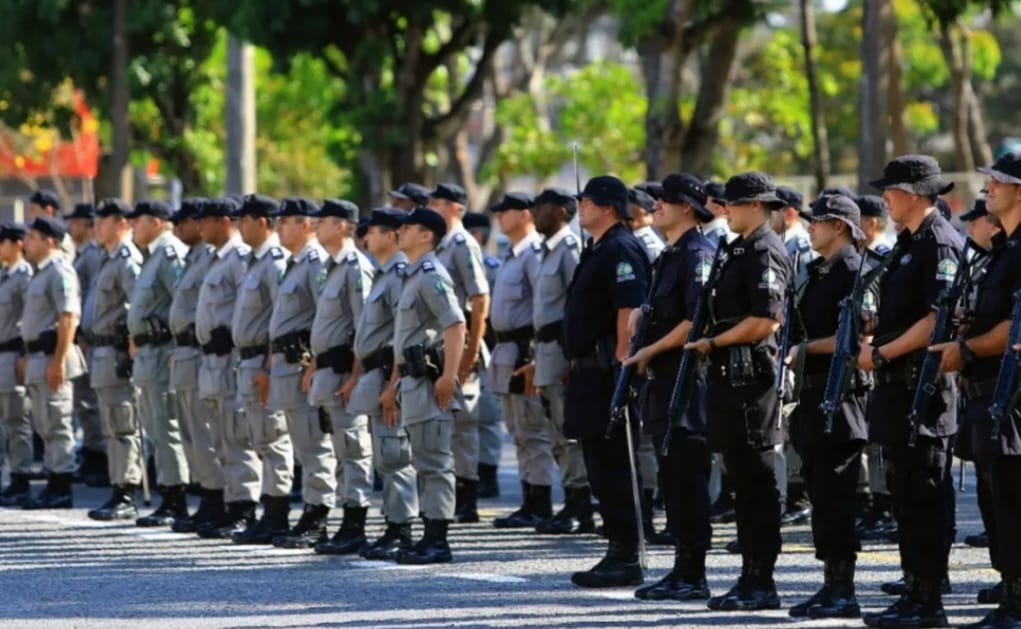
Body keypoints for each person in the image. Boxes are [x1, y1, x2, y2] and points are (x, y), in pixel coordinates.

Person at [858, 155, 963, 628]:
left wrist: (883, 353)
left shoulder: (937, 242)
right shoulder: (907, 242)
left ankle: (929, 601)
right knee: (905, 493)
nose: (886, 197)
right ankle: (913, 590)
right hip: (897, 390)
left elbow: (936, 317)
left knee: (925, 495)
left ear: (917, 194)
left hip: (923, 389)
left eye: (893, 190)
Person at [685, 172, 791, 611]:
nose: (724, 210)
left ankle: (761, 580)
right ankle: (749, 576)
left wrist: (714, 342)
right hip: (731, 378)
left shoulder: (765, 249)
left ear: (754, 205)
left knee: (757, 483)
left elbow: (766, 320)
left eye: (731, 203)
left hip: (753, 381)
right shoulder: (738, 249)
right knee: (741, 485)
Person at [931, 152, 1021, 628]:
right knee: (998, 497)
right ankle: (1011, 594)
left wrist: (966, 350)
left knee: (1011, 496)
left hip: (1012, 395)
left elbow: (1015, 328)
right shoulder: (1004, 249)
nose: (987, 189)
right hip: (989, 393)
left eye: (997, 183)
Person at [624, 173, 716, 601]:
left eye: (666, 199)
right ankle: (681, 566)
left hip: (686, 380)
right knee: (672, 477)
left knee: (686, 477)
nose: (656, 204)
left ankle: (693, 571)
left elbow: (694, 320)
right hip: (664, 381)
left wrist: (648, 350)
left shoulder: (697, 253)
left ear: (688, 208)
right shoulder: (669, 255)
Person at [785, 194, 874, 619]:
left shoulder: (854, 272)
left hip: (840, 397)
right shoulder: (818, 272)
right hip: (813, 394)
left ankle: (843, 589)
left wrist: (802, 350)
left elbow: (854, 340)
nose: (809, 227)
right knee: (821, 492)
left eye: (817, 221)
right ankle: (830, 585)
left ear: (839, 226)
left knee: (837, 496)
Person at [563, 175, 650, 588]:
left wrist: (622, 365)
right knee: (598, 463)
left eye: (586, 200)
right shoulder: (596, 248)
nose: (579, 205)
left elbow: (629, 310)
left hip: (607, 374)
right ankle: (616, 548)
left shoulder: (620, 248)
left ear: (608, 207)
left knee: (614, 465)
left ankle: (626, 555)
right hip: (587, 373)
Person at [388, 207, 467, 563]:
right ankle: (428, 534)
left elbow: (455, 324)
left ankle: (438, 540)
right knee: (423, 460)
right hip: (411, 382)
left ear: (426, 235)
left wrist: (450, 376)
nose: (400, 231)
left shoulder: (432, 274)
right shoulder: (411, 275)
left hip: (429, 381)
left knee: (435, 462)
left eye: (408, 227)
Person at [342, 208, 419, 560]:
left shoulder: (400, 274)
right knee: (385, 455)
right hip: (376, 374)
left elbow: (403, 337)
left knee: (394, 453)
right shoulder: (384, 274)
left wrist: (394, 386)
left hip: (391, 373)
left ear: (391, 235)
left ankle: (401, 529)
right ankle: (393, 523)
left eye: (371, 232)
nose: (365, 238)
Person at [303, 199, 375, 555]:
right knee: (339, 448)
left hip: (346, 371)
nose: (316, 226)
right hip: (329, 371)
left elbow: (364, 327)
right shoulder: (331, 267)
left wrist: (356, 377)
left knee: (353, 448)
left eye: (324, 221)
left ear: (344, 226)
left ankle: (355, 524)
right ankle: (346, 522)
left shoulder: (354, 266)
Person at [267, 198, 338, 549]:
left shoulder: (315, 263)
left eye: (285, 222)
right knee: (301, 444)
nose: (278, 227)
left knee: (314, 443)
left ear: (305, 225)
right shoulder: (293, 264)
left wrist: (314, 363)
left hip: (304, 365)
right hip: (286, 365)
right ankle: (309, 511)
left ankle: (318, 515)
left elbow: (326, 318)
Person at [486, 192, 557, 529]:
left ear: (525, 214)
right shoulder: (511, 254)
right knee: (517, 430)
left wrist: (533, 356)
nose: (500, 216)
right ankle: (529, 499)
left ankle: (540, 501)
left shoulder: (533, 254)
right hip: (506, 351)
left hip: (524, 350)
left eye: (506, 210)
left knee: (532, 430)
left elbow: (540, 309)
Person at [227, 195, 295, 545]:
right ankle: (267, 510)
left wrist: (270, 366)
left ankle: (277, 512)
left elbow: (279, 318)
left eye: (245, 219)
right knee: (259, 437)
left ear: (262, 222)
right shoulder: (254, 261)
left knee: (273, 437)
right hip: (248, 359)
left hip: (265, 362)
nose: (238, 225)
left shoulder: (275, 262)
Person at [528, 188, 593, 536]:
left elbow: (577, 305)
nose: (534, 213)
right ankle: (571, 497)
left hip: (562, 349)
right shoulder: (546, 252)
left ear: (561, 212)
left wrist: (572, 356)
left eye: (540, 207)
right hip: (544, 351)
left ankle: (580, 504)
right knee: (554, 428)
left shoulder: (570, 249)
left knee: (568, 430)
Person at [126, 200, 190, 527]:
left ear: (154, 221)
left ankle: (175, 498)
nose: (132, 227)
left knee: (166, 425)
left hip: (163, 351)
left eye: (136, 221)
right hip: (147, 354)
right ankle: (169, 491)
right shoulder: (151, 256)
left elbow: (184, 303)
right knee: (154, 425)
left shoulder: (169, 254)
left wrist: (176, 345)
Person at [429, 183, 490, 523]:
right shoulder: (438, 245)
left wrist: (469, 356)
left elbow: (479, 301)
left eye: (437, 203)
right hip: (440, 346)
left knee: (463, 426)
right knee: (443, 426)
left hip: (462, 342)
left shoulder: (463, 244)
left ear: (455, 208)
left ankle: (467, 496)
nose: (431, 208)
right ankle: (448, 494)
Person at [165, 198, 224, 534]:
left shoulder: (211, 258)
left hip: (202, 352)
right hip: (185, 353)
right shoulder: (195, 258)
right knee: (189, 432)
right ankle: (205, 495)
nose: (184, 228)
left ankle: (216, 498)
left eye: (186, 221)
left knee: (204, 432)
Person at [87, 199, 144, 521]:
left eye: (103, 221)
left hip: (118, 350)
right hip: (101, 351)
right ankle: (118, 486)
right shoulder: (106, 259)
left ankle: (128, 491)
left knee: (123, 423)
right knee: (111, 423)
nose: (97, 227)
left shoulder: (127, 259)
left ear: (121, 223)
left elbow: (137, 304)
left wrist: (131, 343)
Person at [462, 210, 504, 499]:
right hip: (469, 346)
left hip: (487, 347)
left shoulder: (491, 266)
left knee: (487, 416)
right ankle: (473, 474)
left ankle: (487, 474)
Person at [66, 202, 108, 487]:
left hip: (94, 342)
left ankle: (101, 458)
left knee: (94, 404)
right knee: (85, 404)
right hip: (85, 338)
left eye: (76, 222)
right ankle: (93, 454)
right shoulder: (86, 254)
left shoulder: (94, 256)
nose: (71, 227)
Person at [0, 223, 34, 506]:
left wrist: (26, 356)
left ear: (16, 244)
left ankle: (21, 478)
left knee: (16, 420)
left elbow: (30, 319)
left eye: (3, 243)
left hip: (13, 355)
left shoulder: (25, 277)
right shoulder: (4, 275)